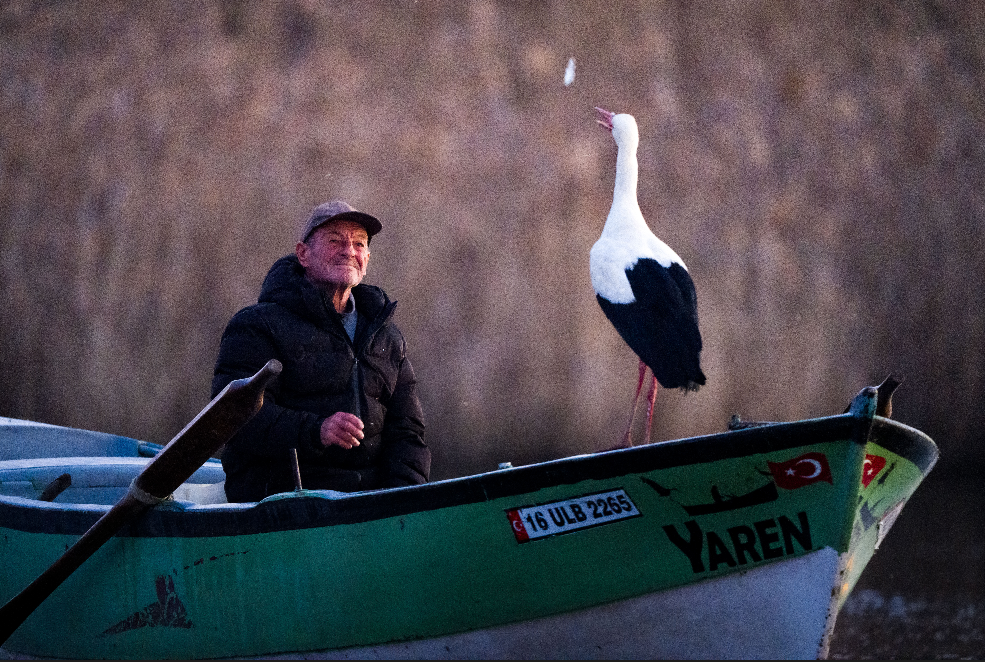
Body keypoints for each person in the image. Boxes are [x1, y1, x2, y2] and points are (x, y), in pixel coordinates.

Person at [212, 200, 429, 502]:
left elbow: (408, 435)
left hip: (369, 510)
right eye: (334, 241)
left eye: (359, 243)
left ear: (367, 257)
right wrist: (317, 431)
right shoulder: (257, 326)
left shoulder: (388, 338)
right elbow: (234, 419)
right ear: (303, 254)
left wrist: (401, 504)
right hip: (280, 508)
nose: (348, 251)